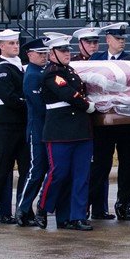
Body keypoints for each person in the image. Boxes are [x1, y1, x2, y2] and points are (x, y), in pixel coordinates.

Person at [87, 23, 130, 221]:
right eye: (118, 38)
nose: (122, 41)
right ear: (108, 40)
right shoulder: (96, 59)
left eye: (123, 39)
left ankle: (123, 204)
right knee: (100, 166)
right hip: (103, 123)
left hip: (126, 122)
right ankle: (88, 205)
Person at [39, 32, 96, 231]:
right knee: (59, 174)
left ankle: (75, 216)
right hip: (60, 131)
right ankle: (44, 206)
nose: (66, 53)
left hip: (81, 130)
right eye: (62, 50)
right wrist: (87, 105)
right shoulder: (50, 73)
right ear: (52, 53)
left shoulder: (71, 71)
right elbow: (68, 94)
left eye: (67, 50)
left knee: (81, 176)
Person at [0, 29, 28, 224]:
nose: (15, 46)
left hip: (23, 123)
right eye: (11, 44)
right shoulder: (1, 68)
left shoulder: (22, 67)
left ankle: (24, 211)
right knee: (1, 167)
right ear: (1, 46)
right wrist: (29, 102)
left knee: (27, 169)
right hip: (5, 124)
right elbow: (9, 97)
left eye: (16, 43)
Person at [16, 37, 51, 228]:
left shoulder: (42, 72)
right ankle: (22, 208)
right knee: (35, 171)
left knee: (42, 171)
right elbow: (39, 106)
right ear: (29, 55)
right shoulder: (32, 75)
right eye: (40, 54)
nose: (44, 56)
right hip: (37, 130)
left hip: (45, 129)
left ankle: (28, 208)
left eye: (45, 53)